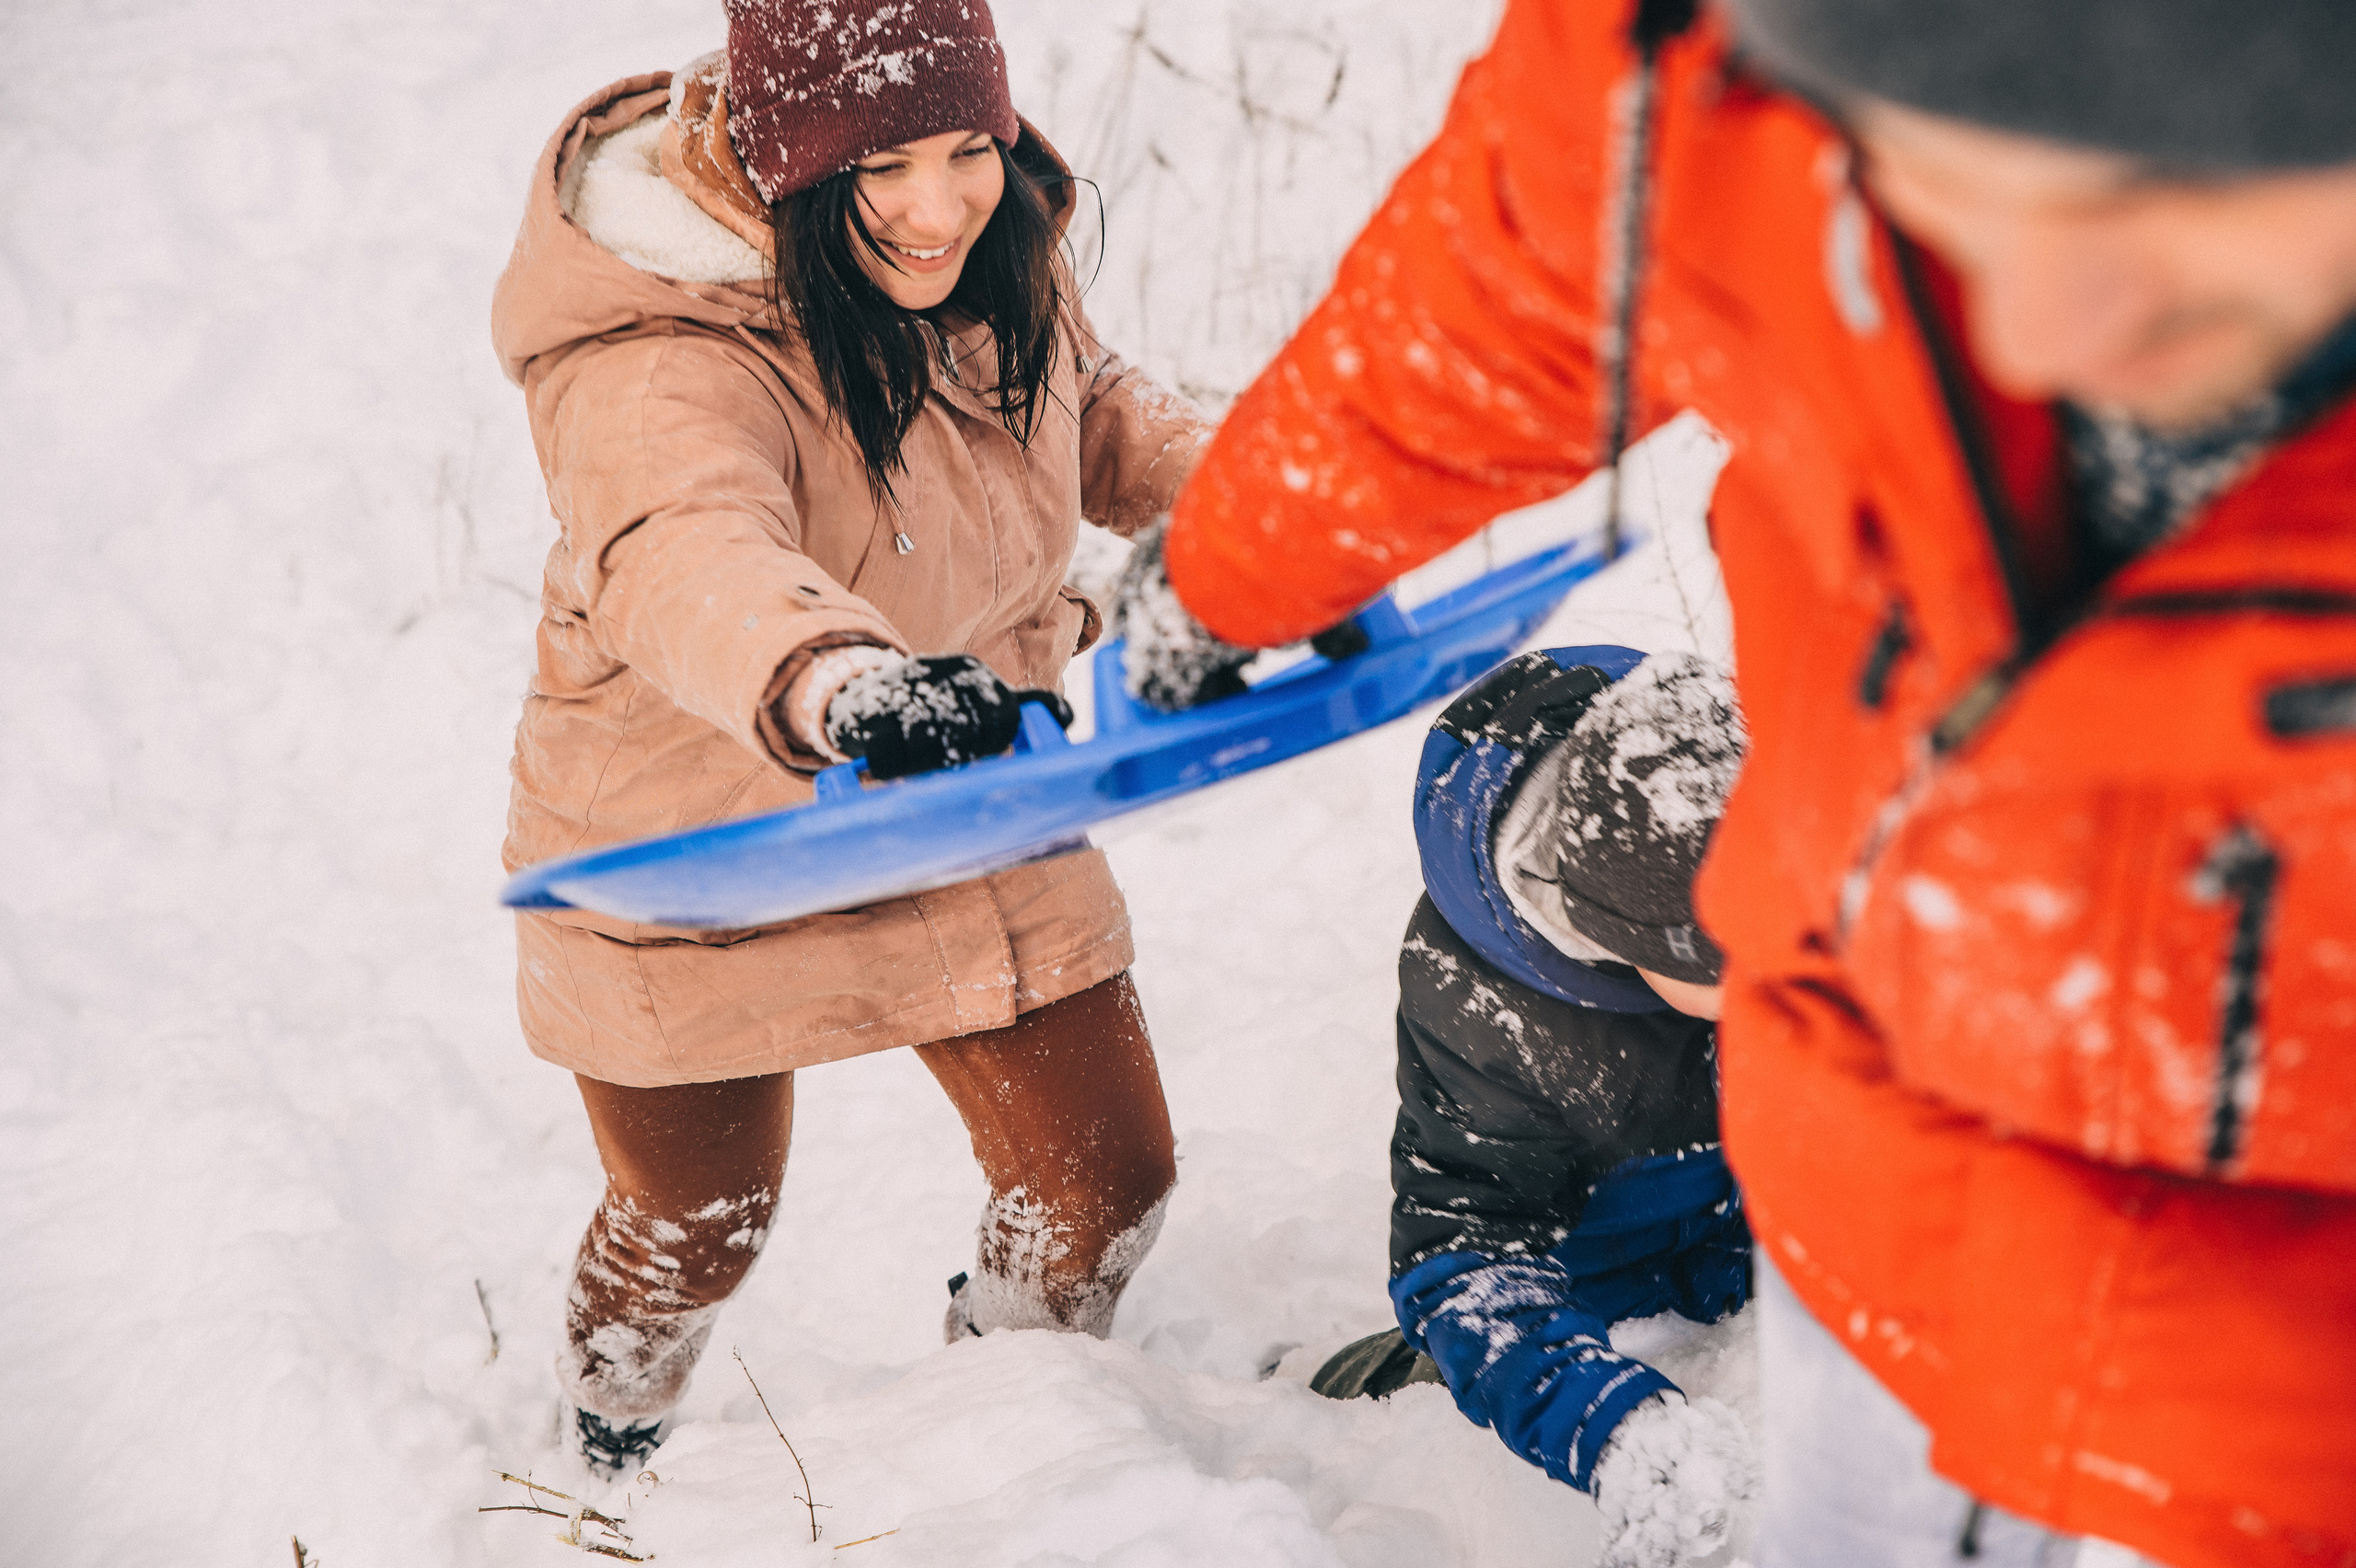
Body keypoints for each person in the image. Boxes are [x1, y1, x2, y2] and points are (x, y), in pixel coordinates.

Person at [1114, 1, 2356, 1564]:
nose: (2030, 326)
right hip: (1874, 1219)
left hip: (2274, 1371)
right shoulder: (1694, 81)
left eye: (2159, 195)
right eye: (1938, 189)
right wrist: (1235, 561)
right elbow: (1494, 282)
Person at [489, 0, 1210, 1477]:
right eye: (884, 165)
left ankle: (1016, 1422)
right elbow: (680, 546)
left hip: (960, 787)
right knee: (696, 1224)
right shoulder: (655, 343)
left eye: (969, 150)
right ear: (793, 160)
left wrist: (1259, 499)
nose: (939, 206)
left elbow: (1091, 410)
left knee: (1102, 1182)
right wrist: (838, 681)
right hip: (701, 831)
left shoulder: (991, 255)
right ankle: (603, 1449)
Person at [1311, 647, 1757, 1568]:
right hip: (1604, 1318)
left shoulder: (1772, 813)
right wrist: (1610, 1424)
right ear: (1632, 943)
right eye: (1745, 972)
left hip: (1790, 1278)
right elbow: (1466, 1250)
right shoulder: (1488, 1009)